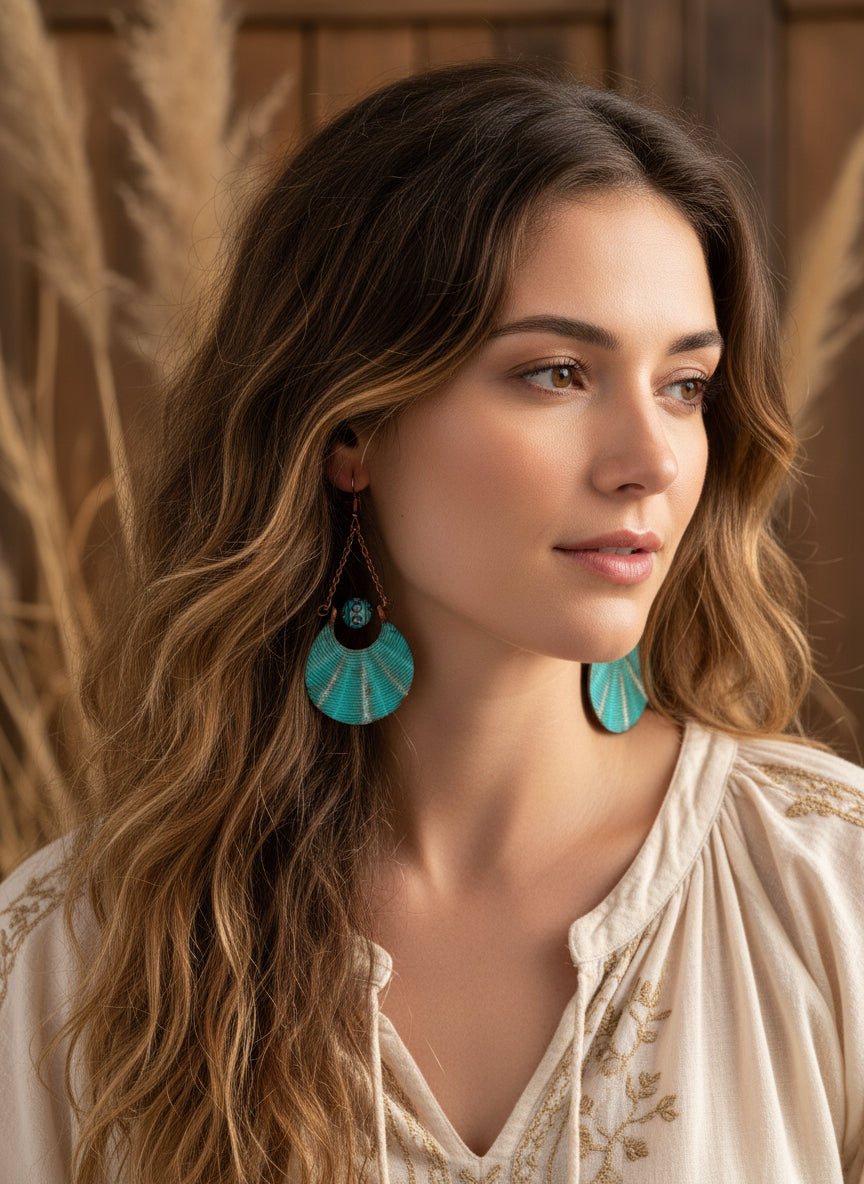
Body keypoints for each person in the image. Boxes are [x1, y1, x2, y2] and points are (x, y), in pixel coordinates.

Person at [1, 58, 863, 1184]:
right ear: (351, 424)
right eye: (558, 371)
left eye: (685, 385)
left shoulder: (826, 890)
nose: (652, 461)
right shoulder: (71, 957)